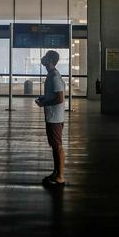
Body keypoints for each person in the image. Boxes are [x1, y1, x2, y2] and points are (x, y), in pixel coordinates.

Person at [34, 50, 66, 187]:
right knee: (54, 145)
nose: (43, 59)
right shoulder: (51, 75)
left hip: (55, 118)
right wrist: (45, 99)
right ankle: (56, 172)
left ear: (50, 61)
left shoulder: (54, 76)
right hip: (52, 117)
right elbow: (54, 96)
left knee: (57, 146)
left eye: (46, 57)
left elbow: (60, 98)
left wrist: (44, 103)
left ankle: (60, 176)